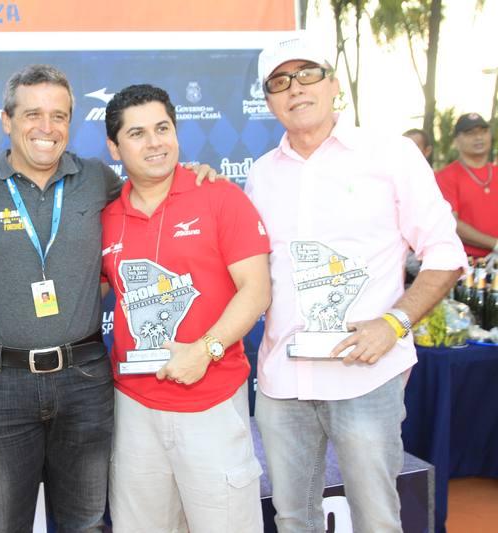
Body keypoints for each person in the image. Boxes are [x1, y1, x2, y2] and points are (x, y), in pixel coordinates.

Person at [0, 64, 219, 532]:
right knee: (3, 526)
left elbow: (153, 200)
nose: (47, 127)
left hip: (83, 380)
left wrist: (195, 174)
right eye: (32, 114)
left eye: (59, 116)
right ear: (6, 120)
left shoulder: (98, 180)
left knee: (85, 525)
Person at [245, 34, 466, 532]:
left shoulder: (390, 155)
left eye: (307, 74)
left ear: (333, 84)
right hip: (283, 380)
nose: (295, 88)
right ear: (268, 100)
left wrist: (395, 322)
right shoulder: (260, 175)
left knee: (376, 519)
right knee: (292, 519)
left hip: (365, 376)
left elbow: (445, 254)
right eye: (279, 81)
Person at [101, 84, 270, 532]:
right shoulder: (105, 216)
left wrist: (205, 350)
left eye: (163, 128)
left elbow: (256, 290)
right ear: (114, 147)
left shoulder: (219, 196)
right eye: (137, 133)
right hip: (133, 407)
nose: (154, 142)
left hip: (211, 401)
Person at [436, 112, 498, 258]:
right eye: (470, 133)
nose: (478, 137)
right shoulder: (445, 176)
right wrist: (495, 244)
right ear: (456, 141)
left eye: (483, 131)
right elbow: (451, 223)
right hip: (467, 262)